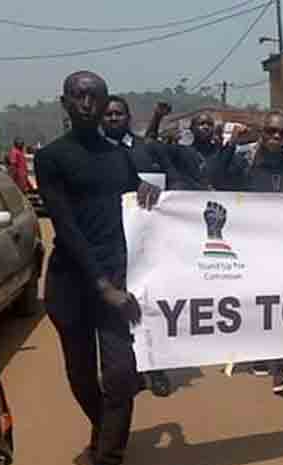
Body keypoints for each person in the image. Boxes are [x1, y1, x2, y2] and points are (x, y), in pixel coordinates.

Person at [35, 71, 160, 465]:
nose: (87, 103)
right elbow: (65, 228)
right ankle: (104, 429)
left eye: (95, 95)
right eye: (78, 95)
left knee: (123, 375)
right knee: (81, 375)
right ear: (65, 102)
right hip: (73, 284)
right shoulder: (50, 158)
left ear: (106, 100)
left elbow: (141, 207)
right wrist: (101, 285)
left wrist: (150, 192)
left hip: (116, 285)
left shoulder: (119, 158)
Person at [209, 111, 283, 396]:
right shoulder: (244, 164)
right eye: (271, 132)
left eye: (281, 134)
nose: (275, 137)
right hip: (251, 250)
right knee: (257, 304)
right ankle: (259, 352)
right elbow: (214, 177)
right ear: (262, 133)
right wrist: (230, 144)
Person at [102, 96, 207, 399]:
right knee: (117, 310)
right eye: (107, 114)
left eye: (118, 113)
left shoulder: (146, 149)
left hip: (147, 243)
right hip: (110, 243)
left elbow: (176, 179)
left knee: (149, 304)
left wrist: (169, 196)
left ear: (127, 116)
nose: (112, 118)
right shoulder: (95, 154)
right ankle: (128, 370)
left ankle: (155, 368)